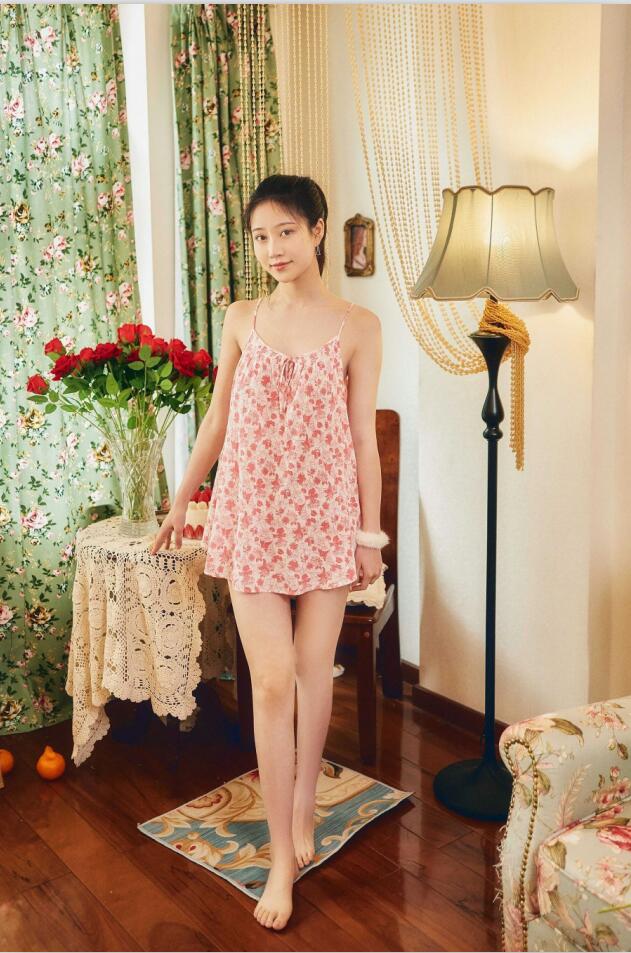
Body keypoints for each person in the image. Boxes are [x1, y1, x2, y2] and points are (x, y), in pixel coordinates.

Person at [150, 174, 388, 931]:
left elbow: (362, 439)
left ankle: (306, 799)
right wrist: (181, 498)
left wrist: (370, 537)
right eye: (260, 236)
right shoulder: (240, 318)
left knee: (315, 674)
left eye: (286, 231)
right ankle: (282, 855)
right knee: (275, 678)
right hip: (250, 517)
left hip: (324, 520)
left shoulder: (358, 325)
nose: (273, 248)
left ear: (316, 230)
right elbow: (218, 416)